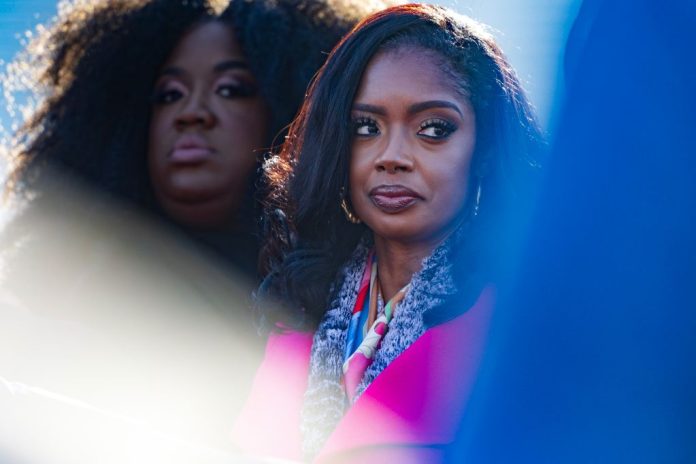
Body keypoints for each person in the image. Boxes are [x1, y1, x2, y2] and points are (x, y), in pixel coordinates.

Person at [232, 4, 544, 462]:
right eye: (366, 127)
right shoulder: (301, 301)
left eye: (434, 129)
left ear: (486, 149)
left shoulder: (516, 323)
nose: (392, 156)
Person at [2, 0, 378, 277]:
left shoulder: (354, 302)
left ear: (296, 111)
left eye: (231, 90)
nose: (191, 112)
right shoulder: (54, 297)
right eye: (169, 95)